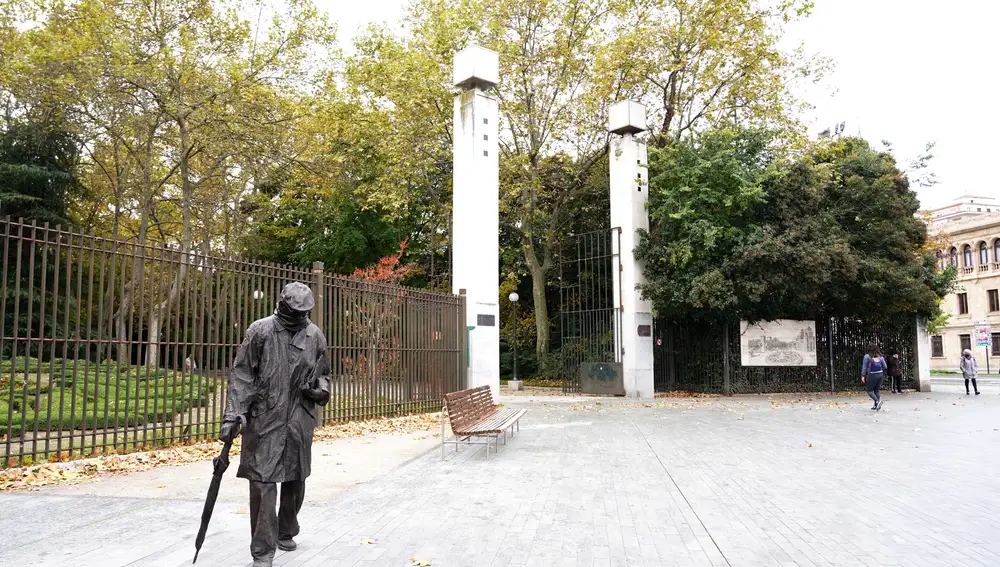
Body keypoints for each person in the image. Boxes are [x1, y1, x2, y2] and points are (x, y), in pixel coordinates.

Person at [220, 282, 331, 567]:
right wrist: (233, 415)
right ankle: (262, 551)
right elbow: (242, 374)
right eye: (294, 313)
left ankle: (286, 530)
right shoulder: (260, 330)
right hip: (264, 417)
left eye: (303, 314)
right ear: (282, 305)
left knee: (295, 477)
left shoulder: (314, 334)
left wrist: (319, 391)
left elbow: (325, 374)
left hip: (298, 418)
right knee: (262, 482)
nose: (299, 318)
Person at [861, 344, 886, 411]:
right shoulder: (880, 357)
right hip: (880, 374)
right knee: (876, 390)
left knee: (870, 390)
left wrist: (863, 375)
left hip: (872, 375)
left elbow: (864, 367)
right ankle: (876, 406)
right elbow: (885, 366)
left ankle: (877, 401)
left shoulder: (867, 356)